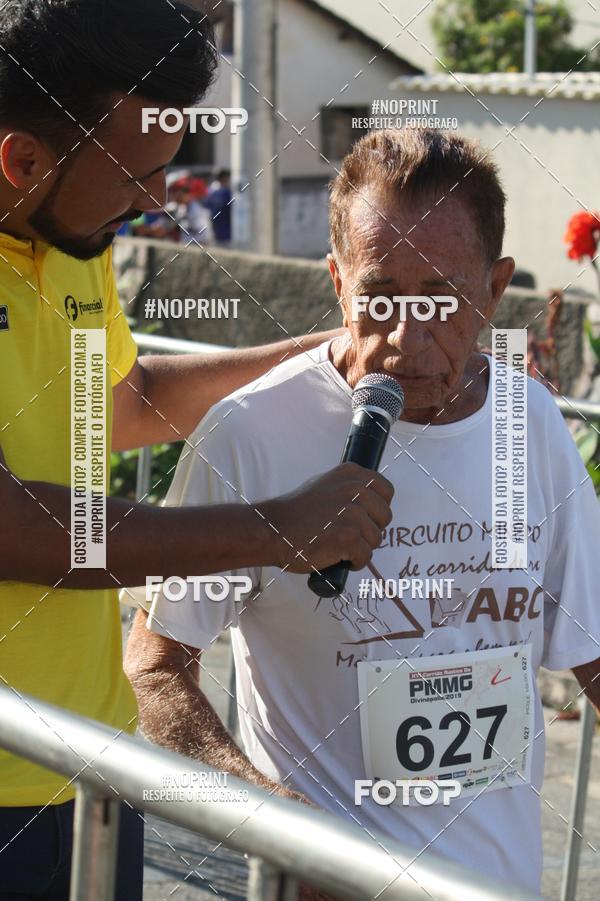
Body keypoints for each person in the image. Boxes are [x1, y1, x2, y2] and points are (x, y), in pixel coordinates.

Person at [126, 128, 600, 895]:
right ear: (338, 286)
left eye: (443, 298)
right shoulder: (252, 433)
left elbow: (593, 648)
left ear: (493, 287)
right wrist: (276, 826)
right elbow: (155, 669)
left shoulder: (530, 424)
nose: (407, 338)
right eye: (378, 297)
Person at [0, 2, 393, 898]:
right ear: (22, 159)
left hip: (92, 765)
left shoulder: (69, 232)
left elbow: (125, 401)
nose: (154, 200)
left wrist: (329, 345)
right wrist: (277, 527)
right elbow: (12, 526)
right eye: (138, 176)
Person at [204, 169, 232, 244]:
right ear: (225, 178)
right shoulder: (227, 193)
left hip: (214, 232)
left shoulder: (211, 192)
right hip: (226, 233)